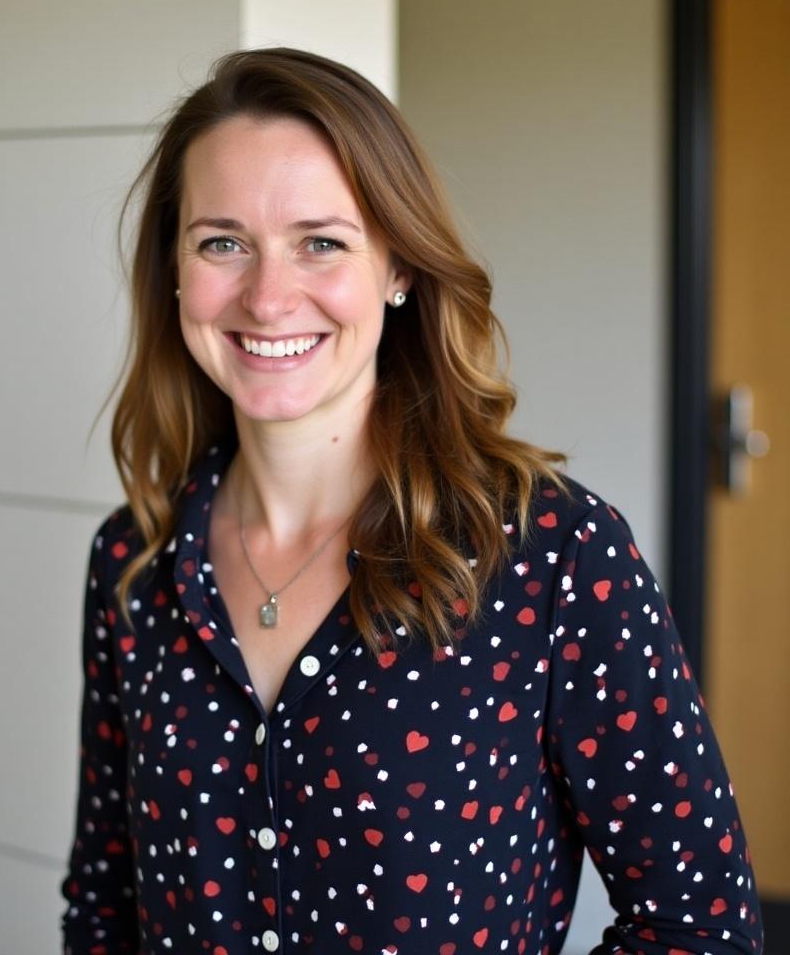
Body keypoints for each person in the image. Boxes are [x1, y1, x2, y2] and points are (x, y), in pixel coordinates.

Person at [59, 47, 762, 955]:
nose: (270, 297)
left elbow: (699, 924)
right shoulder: (134, 561)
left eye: (322, 241)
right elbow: (105, 905)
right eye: (223, 242)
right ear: (177, 271)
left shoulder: (551, 552)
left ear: (398, 267)